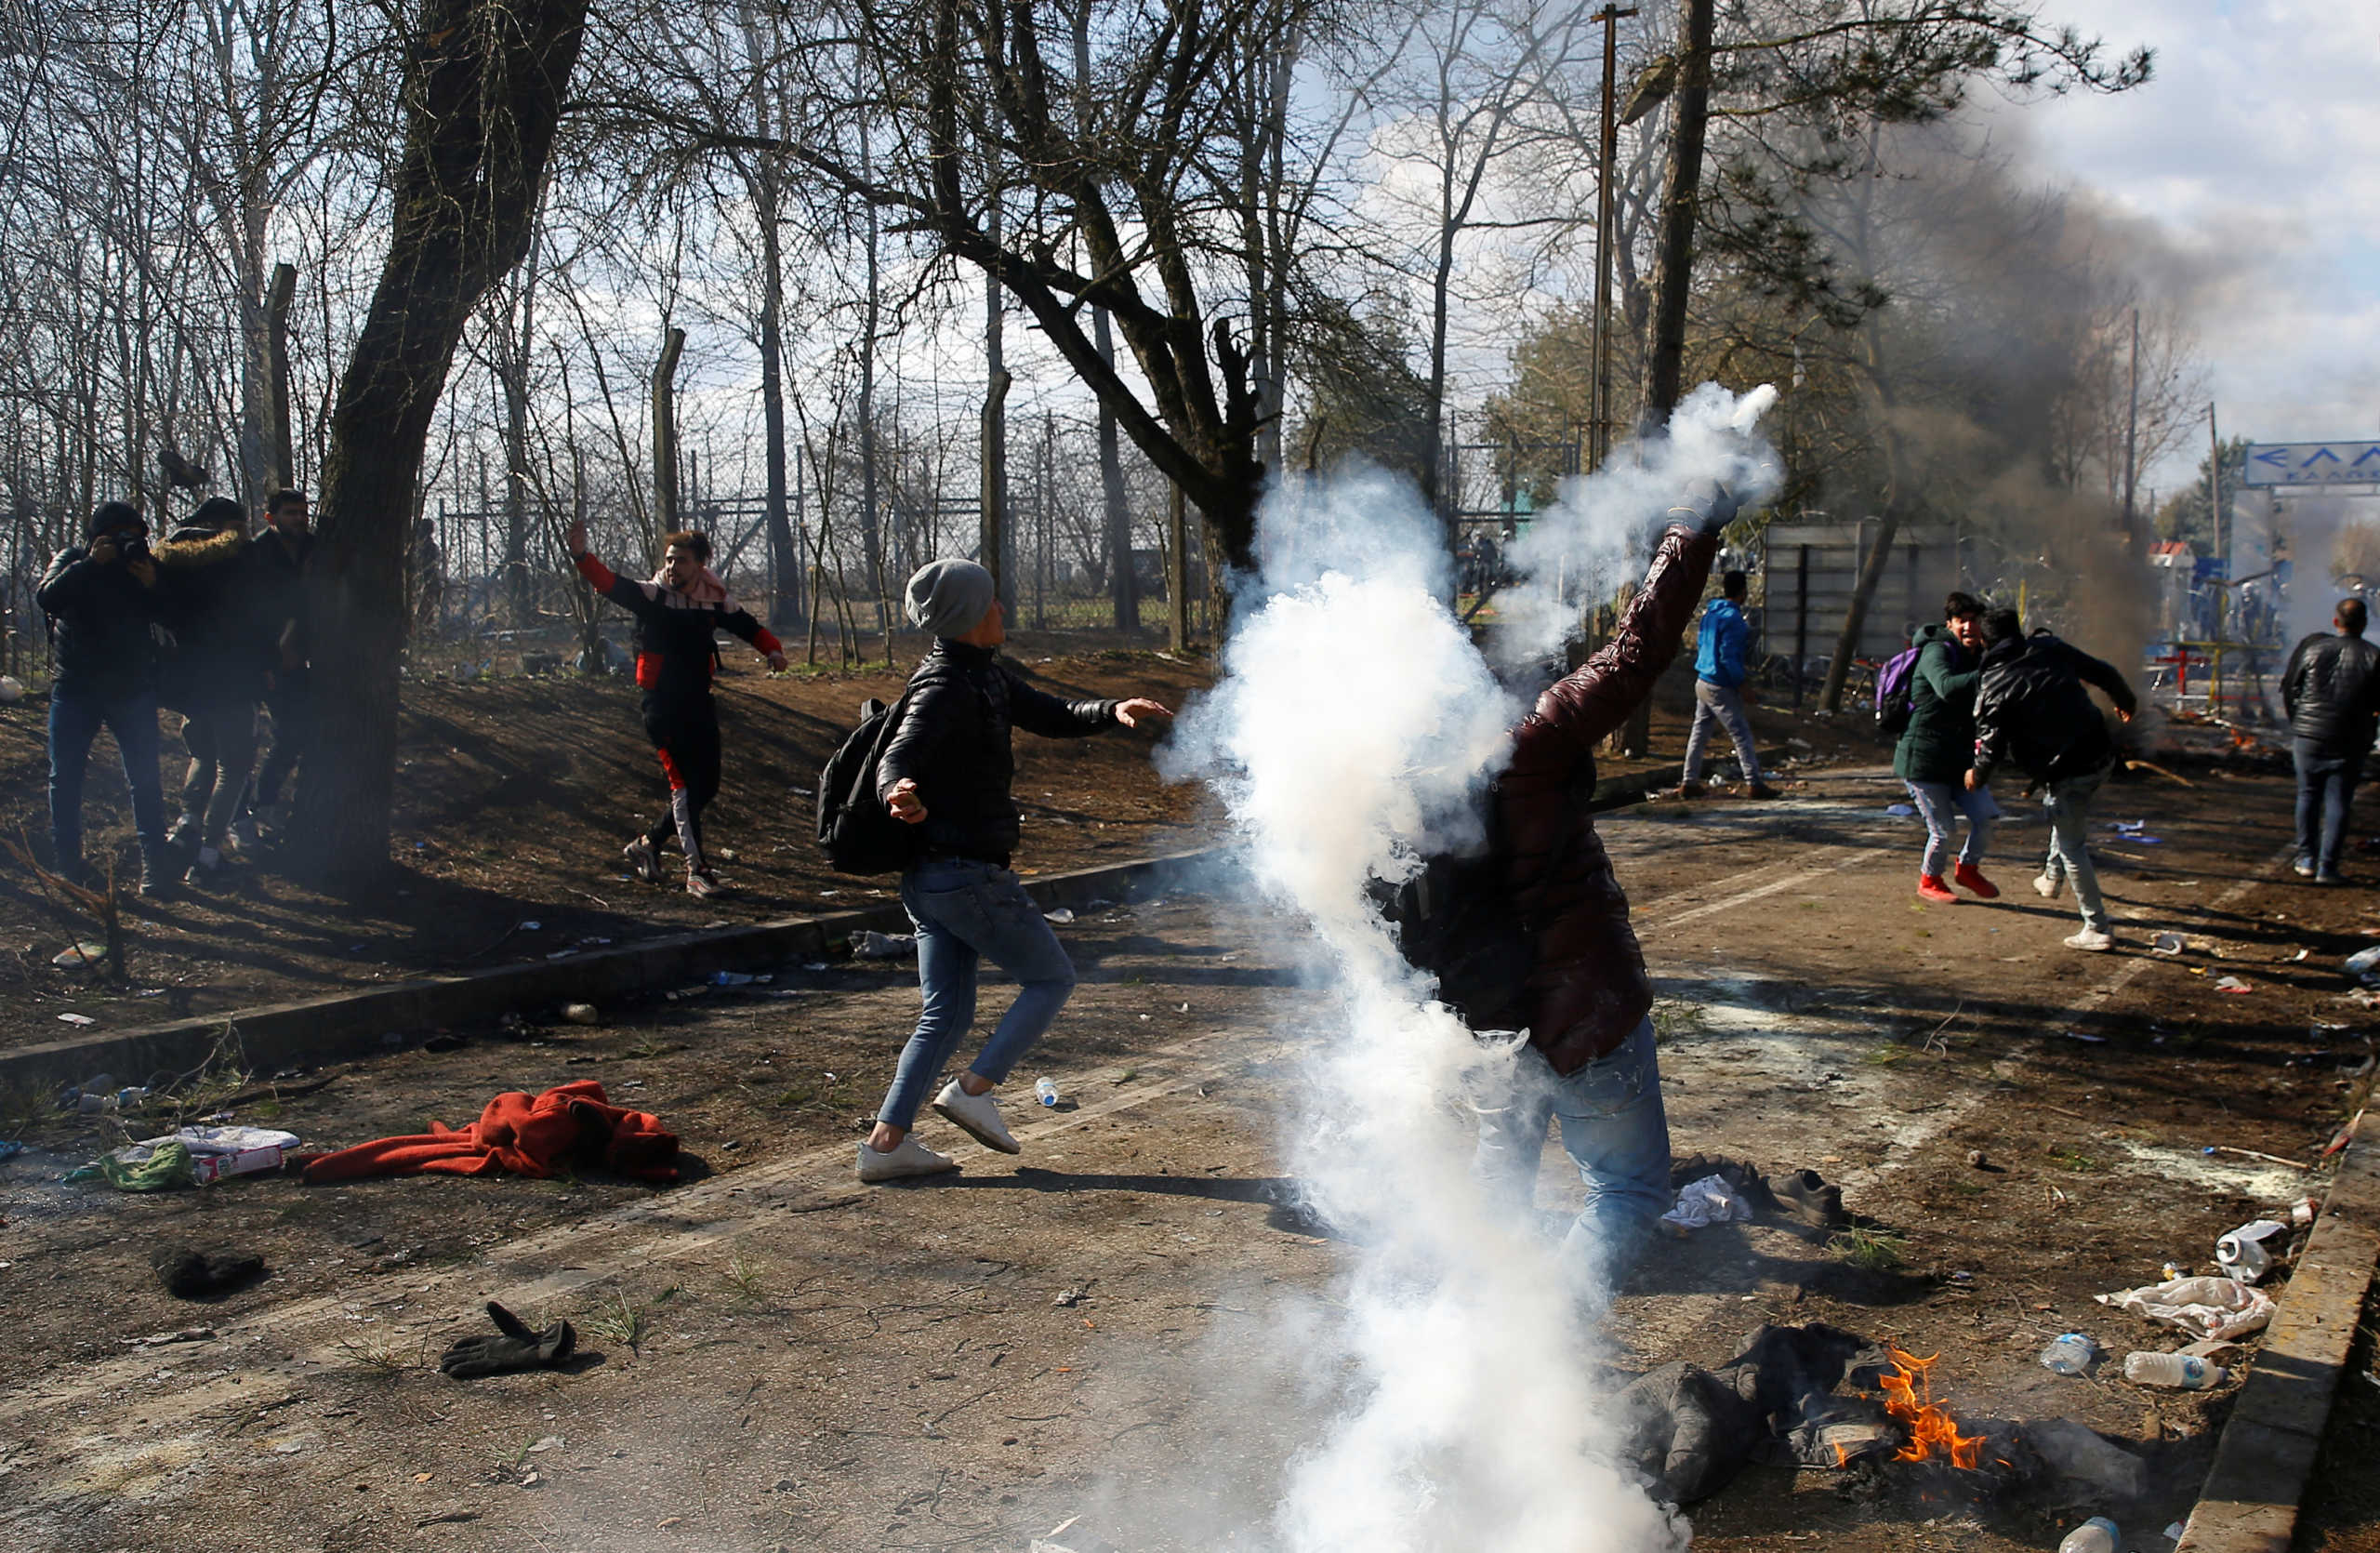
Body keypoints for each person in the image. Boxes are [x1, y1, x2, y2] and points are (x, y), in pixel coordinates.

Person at [1469, 490, 1737, 1287]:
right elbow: (1636, 650)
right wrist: (1691, 532)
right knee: (1625, 1189)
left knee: (1497, 1182)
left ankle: (1471, 1331)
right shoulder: (1532, 745)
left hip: (1481, 1017)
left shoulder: (1377, 784)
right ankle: (1537, 1334)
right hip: (1582, 1003)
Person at [858, 558, 1172, 1184]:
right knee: (1051, 977)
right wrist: (898, 789)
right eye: (995, 602)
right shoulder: (945, 687)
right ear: (972, 616)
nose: (1003, 610)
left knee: (943, 1015)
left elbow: (1050, 712)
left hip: (934, 879)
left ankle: (886, 1145)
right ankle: (974, 1090)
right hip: (966, 875)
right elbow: (897, 755)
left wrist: (1112, 710)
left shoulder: (983, 676)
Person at [567, 518, 787, 896]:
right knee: (684, 786)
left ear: (700, 565)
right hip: (662, 706)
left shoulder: (712, 598)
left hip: (699, 702)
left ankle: (648, 845)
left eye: (681, 560)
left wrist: (773, 650)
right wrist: (581, 554)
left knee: (707, 787)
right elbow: (608, 584)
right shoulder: (652, 596)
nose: (672, 567)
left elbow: (747, 625)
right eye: (669, 560)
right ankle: (697, 871)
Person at [1967, 610, 2137, 951]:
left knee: (2072, 844)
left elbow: (1990, 745)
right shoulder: (2050, 648)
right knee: (2063, 816)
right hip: (2101, 754)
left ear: (1985, 642)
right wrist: (2125, 700)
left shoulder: (1994, 683)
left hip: (2066, 771)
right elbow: (2103, 671)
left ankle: (2097, 926)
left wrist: (1977, 774)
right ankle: (2050, 876)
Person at [36, 501, 174, 895]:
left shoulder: (141, 567)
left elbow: (174, 616)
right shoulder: (73, 559)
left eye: (136, 534)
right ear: (99, 536)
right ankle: (69, 865)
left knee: (145, 777)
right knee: (65, 778)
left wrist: (154, 584)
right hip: (76, 686)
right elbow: (46, 599)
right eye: (121, 534)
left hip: (131, 688)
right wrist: (90, 565)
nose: (130, 542)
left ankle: (156, 869)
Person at [155, 496, 271, 889]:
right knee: (233, 768)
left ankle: (187, 823)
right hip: (233, 679)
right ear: (227, 527)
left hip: (190, 682)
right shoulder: (238, 562)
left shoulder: (170, 560)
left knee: (202, 754)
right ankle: (206, 857)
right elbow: (257, 621)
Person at [1897, 591, 1999, 903]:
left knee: (1987, 817)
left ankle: (1967, 869)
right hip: (1924, 761)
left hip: (1959, 761)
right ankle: (1929, 880)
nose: (1969, 627)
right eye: (1962, 621)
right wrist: (1988, 674)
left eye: (1974, 620)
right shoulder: (1936, 652)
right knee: (1943, 831)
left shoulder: (1979, 655)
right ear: (1950, 624)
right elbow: (1945, 687)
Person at [2281, 599, 2380, 883]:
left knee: (2307, 795)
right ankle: (2327, 867)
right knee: (2339, 801)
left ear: (2336, 622)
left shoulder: (2314, 650)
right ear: (2364, 623)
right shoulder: (2374, 656)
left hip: (2309, 737)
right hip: (2350, 739)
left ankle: (2306, 859)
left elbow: (2292, 687)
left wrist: (2298, 722)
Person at [245, 488, 314, 840]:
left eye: (303, 512)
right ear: (270, 518)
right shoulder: (255, 555)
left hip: (300, 659)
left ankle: (265, 803)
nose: (299, 519)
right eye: (290, 513)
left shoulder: (313, 549)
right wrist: (268, 660)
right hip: (260, 661)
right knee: (241, 743)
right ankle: (241, 817)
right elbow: (247, 615)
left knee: (294, 733)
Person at [1677, 568, 1778, 800]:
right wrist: (1743, 685)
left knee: (1699, 733)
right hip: (1720, 684)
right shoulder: (1735, 621)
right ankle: (1754, 783)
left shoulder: (1710, 613)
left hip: (1702, 680)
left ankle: (1689, 781)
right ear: (1743, 592)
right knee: (1740, 733)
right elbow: (1729, 657)